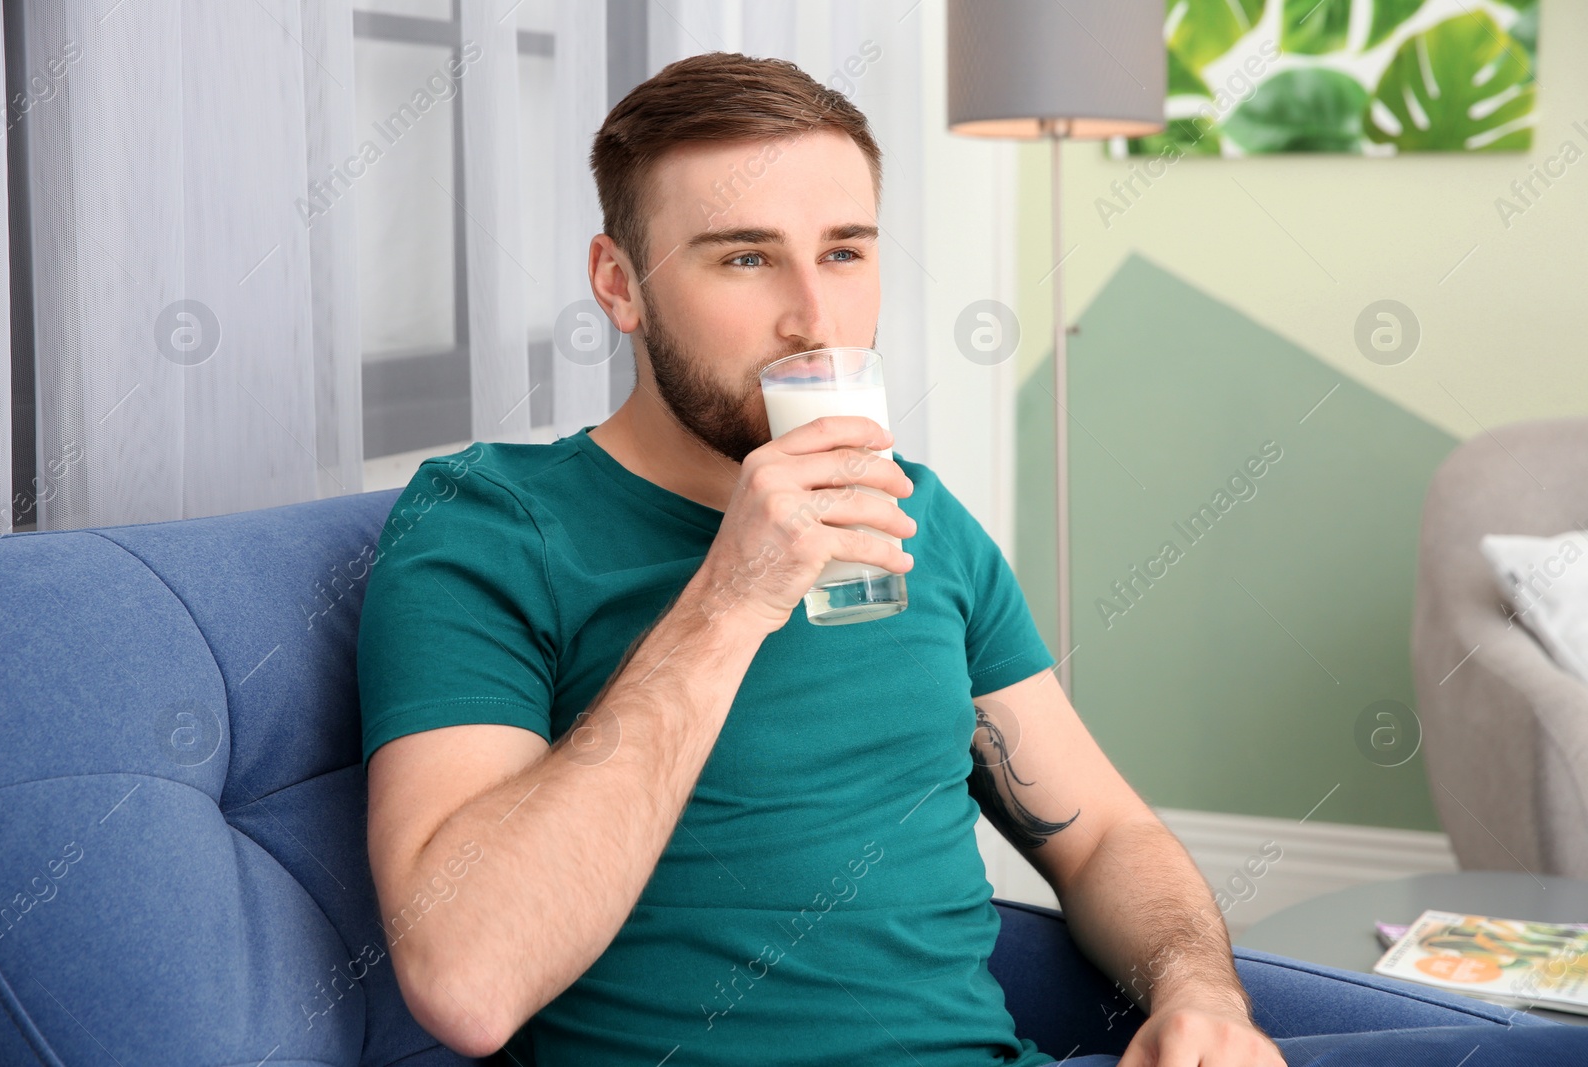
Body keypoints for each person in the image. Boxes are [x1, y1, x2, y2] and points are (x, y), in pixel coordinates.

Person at [355, 52, 1586, 1066]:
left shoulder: (920, 518)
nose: (814, 317)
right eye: (743, 257)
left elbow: (1099, 832)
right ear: (617, 284)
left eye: (844, 250)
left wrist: (1199, 991)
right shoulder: (487, 523)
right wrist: (733, 595)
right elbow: (465, 977)